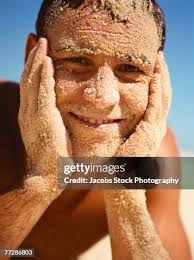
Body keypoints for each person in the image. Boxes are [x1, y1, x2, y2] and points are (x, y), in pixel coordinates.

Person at [0, 0, 191, 259]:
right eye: (77, 60)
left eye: (130, 68)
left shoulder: (156, 157)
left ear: (157, 76)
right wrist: (40, 183)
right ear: (32, 55)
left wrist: (125, 195)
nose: (101, 97)